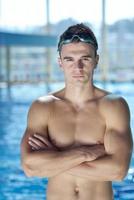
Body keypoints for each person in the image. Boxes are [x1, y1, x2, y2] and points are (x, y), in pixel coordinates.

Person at [21, 23, 133, 200]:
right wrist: (86, 154)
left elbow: (118, 171)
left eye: (85, 59)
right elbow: (29, 168)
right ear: (60, 62)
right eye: (69, 59)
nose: (78, 67)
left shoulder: (113, 106)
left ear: (96, 60)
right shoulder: (43, 107)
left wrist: (55, 157)